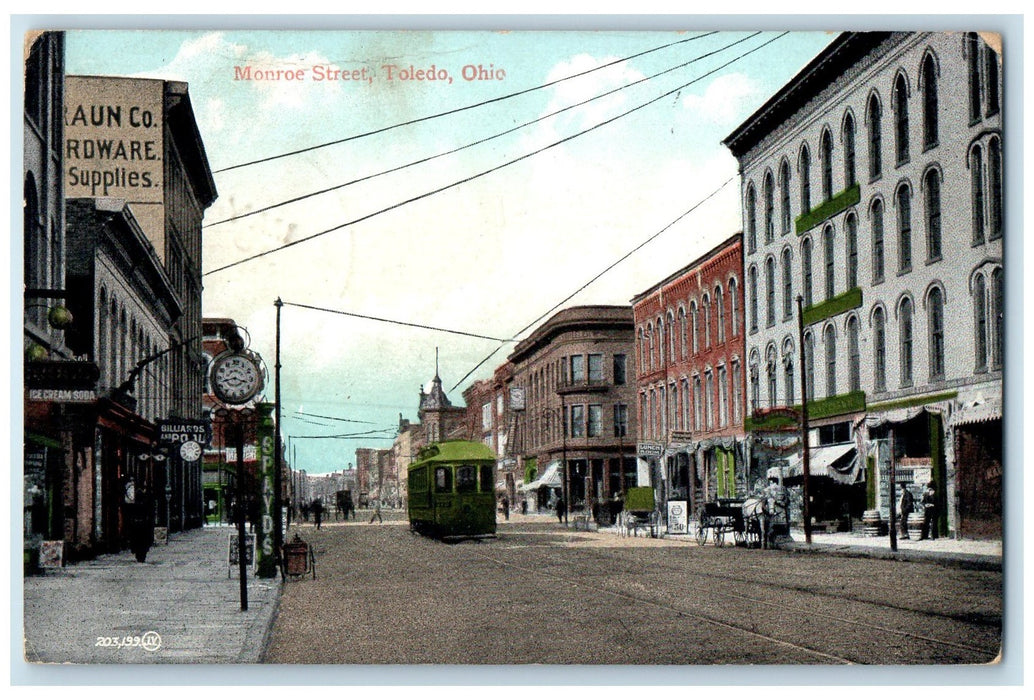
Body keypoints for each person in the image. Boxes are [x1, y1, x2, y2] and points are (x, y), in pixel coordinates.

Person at [130, 486, 155, 563]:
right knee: (143, 542)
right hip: (144, 528)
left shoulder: (134, 506)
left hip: (137, 527)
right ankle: (141, 555)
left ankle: (138, 554)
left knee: (137, 541)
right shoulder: (146, 505)